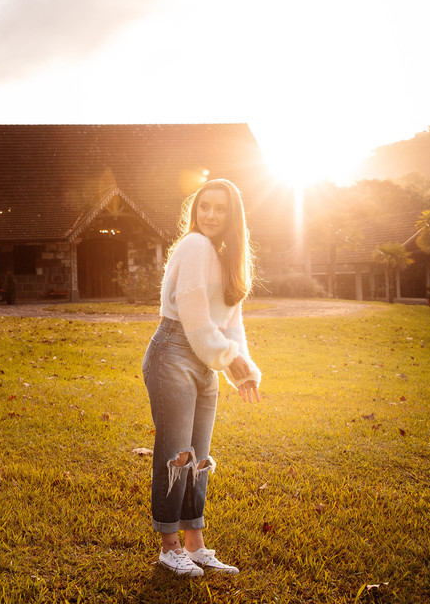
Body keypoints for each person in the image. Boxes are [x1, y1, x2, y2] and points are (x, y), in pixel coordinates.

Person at [141, 178, 262, 577]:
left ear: (233, 216)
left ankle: (196, 546)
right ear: (195, 210)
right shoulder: (193, 245)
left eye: (220, 208)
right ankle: (169, 546)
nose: (210, 215)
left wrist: (243, 367)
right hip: (173, 350)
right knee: (176, 456)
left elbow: (231, 323)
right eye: (204, 206)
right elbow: (193, 316)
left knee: (198, 459)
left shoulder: (227, 257)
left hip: (204, 360)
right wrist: (230, 360)